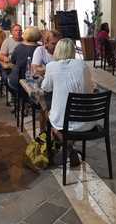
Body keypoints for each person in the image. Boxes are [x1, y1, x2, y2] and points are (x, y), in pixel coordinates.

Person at [41, 38, 95, 166]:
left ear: (57, 51)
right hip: (87, 121)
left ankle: (68, 148)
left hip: (64, 123)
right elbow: (90, 88)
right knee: (63, 114)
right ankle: (69, 146)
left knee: (47, 112)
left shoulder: (51, 66)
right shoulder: (82, 65)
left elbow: (45, 87)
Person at [8, 27, 42, 92]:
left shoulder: (19, 47)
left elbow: (13, 61)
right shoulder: (41, 49)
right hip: (35, 81)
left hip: (17, 80)